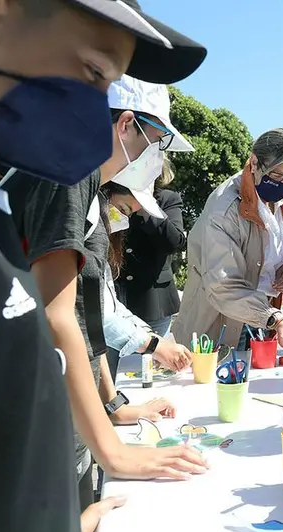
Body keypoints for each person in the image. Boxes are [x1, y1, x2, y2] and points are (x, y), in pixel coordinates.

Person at [0, 0, 206, 532]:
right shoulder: (62, 168)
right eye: (91, 74)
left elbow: (87, 316)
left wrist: (111, 411)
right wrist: (112, 449)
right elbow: (59, 315)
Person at [172, 129, 283, 357]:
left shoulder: (281, 201)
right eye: (277, 176)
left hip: (262, 318)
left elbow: (272, 248)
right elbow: (223, 286)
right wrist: (275, 318)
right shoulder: (224, 208)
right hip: (218, 322)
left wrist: (282, 267)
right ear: (254, 162)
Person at [111, 78, 190, 338]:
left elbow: (176, 240)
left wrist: (144, 208)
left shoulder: (167, 198)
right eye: (157, 141)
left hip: (152, 300)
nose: (156, 155)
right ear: (126, 124)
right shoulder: (101, 194)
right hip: (118, 298)